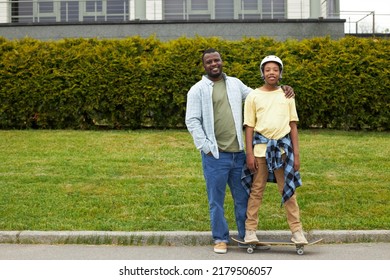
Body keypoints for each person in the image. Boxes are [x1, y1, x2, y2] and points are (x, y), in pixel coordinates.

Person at [185, 49, 295, 254]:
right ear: (204, 65)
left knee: (243, 197)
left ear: (221, 61)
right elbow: (192, 120)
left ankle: (247, 237)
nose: (213, 64)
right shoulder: (197, 90)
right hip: (215, 156)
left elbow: (259, 96)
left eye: (216, 60)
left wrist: (281, 88)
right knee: (215, 200)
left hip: (239, 155)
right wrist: (206, 147)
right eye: (209, 61)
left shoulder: (235, 84)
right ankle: (220, 239)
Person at [242, 55, 308, 245]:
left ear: (280, 73)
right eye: (268, 69)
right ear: (262, 73)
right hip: (260, 151)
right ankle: (250, 230)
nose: (272, 72)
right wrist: (249, 154)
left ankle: (297, 231)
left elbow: (293, 126)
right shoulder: (253, 96)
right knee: (256, 190)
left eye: (275, 69)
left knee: (288, 190)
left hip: (282, 152)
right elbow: (249, 127)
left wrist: (296, 155)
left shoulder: (287, 95)